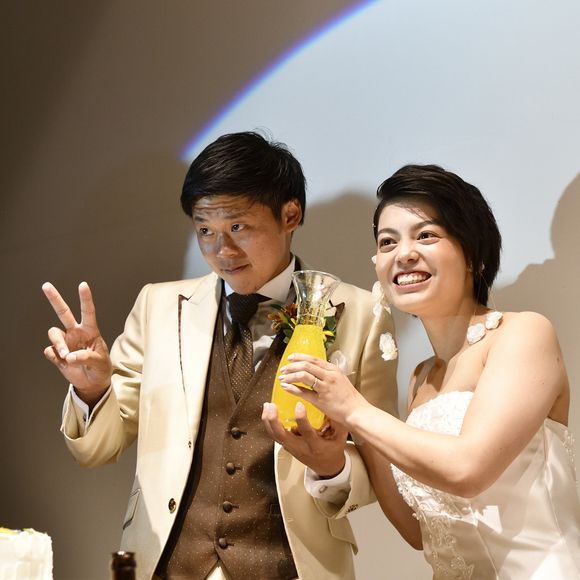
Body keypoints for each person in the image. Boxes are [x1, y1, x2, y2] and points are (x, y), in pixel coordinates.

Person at [42, 131, 398, 580]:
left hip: (293, 567)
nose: (221, 250)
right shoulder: (158, 307)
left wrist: (332, 467)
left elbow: (380, 467)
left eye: (238, 228)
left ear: (290, 215)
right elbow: (97, 449)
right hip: (167, 565)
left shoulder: (359, 315)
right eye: (205, 230)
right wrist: (92, 392)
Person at [272, 164, 580, 578]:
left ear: (473, 254)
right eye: (387, 242)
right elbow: (418, 531)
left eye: (426, 235)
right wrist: (340, 445)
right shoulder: (420, 378)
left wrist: (356, 409)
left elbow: (467, 471)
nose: (403, 254)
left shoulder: (522, 333)